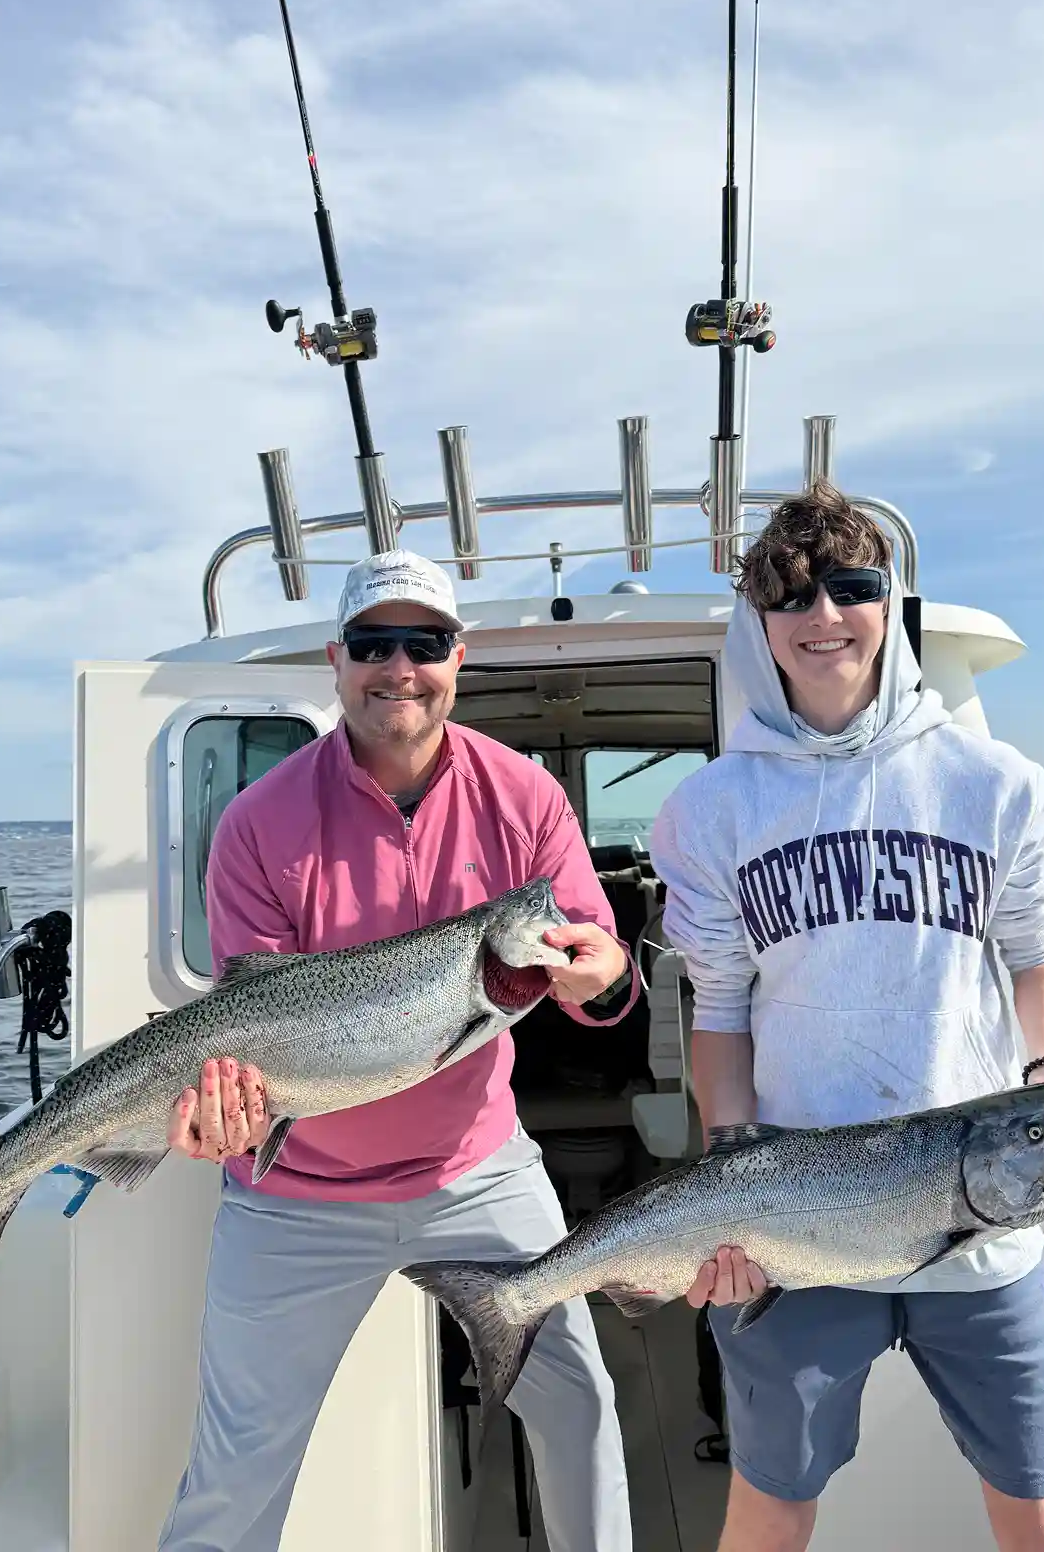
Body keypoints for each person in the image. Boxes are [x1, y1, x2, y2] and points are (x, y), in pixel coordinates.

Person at [650, 479, 1044, 1552]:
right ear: (756, 619)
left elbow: (1040, 956)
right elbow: (720, 1008)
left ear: (889, 605)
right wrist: (728, 1183)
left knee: (1040, 1502)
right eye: (791, 592)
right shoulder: (710, 810)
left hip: (981, 1219)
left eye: (852, 587)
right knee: (771, 1508)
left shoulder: (995, 782)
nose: (823, 616)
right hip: (798, 1225)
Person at [158, 547, 638, 1552]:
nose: (399, 667)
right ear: (337, 661)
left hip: (478, 1174)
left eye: (423, 643)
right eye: (374, 644)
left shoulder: (527, 801)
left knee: (579, 1402)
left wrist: (600, 980)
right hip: (295, 1194)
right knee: (235, 1467)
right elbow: (251, 1022)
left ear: (458, 658)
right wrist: (217, 1116)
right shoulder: (258, 823)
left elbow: (598, 969)